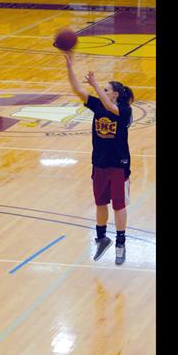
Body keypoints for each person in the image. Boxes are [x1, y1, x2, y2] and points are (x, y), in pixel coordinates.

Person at [63, 51, 134, 265]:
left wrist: (95, 85)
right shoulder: (97, 105)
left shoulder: (124, 109)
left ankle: (120, 243)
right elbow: (77, 89)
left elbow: (112, 108)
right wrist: (69, 67)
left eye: (106, 89)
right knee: (100, 203)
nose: (103, 91)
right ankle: (102, 239)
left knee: (118, 206)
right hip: (99, 164)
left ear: (115, 95)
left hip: (118, 165)